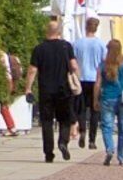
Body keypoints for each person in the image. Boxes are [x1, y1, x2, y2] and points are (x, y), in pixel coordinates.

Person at [27, 15, 82, 163]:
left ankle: (48, 153)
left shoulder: (39, 49)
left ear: (47, 31)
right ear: (59, 32)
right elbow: (74, 66)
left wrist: (28, 88)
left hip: (46, 90)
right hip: (63, 89)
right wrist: (75, 76)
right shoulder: (66, 46)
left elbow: (32, 70)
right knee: (64, 119)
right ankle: (63, 142)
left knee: (46, 121)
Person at [98, 28, 123, 164]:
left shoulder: (103, 65)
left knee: (107, 126)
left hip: (107, 98)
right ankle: (122, 157)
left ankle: (109, 148)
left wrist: (94, 99)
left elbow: (97, 84)